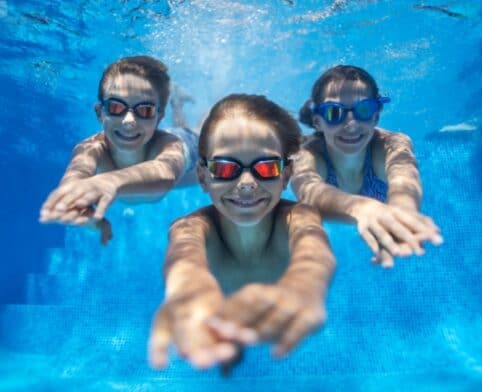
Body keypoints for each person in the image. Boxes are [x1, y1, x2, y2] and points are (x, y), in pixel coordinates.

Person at [148, 94, 335, 370]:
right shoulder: (191, 228)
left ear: (286, 176)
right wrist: (187, 290)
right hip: (196, 158)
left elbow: (315, 251)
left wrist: (305, 286)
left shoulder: (298, 217)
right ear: (204, 179)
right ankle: (178, 105)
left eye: (267, 167)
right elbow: (184, 259)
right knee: (189, 141)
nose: (247, 184)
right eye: (225, 169)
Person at [292, 65, 443, 267]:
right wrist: (362, 208)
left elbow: (404, 177)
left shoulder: (392, 144)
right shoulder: (307, 153)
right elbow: (308, 192)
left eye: (364, 110)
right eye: (333, 113)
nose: (351, 124)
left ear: (376, 117)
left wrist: (402, 213)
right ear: (317, 122)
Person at [39, 56, 199, 244]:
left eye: (145, 110)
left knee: (205, 135)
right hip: (145, 183)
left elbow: (166, 174)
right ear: (100, 113)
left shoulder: (168, 145)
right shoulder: (90, 149)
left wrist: (110, 181)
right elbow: (73, 184)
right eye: (116, 107)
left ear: (159, 117)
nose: (129, 120)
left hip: (189, 156)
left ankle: (178, 102)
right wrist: (84, 214)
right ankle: (177, 101)